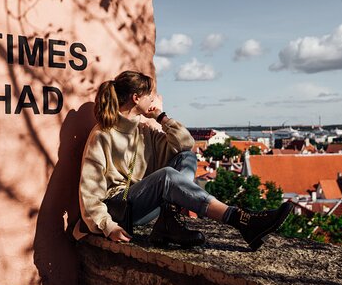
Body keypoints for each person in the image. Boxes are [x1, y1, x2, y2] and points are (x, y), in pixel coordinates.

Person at [73, 70, 291, 250]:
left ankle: (169, 220)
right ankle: (240, 219)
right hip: (120, 208)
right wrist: (107, 226)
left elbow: (186, 145)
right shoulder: (102, 135)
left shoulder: (144, 130)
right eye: (150, 95)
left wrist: (161, 117)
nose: (154, 99)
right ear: (136, 98)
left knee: (185, 158)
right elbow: (90, 191)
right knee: (166, 176)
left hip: (144, 200)